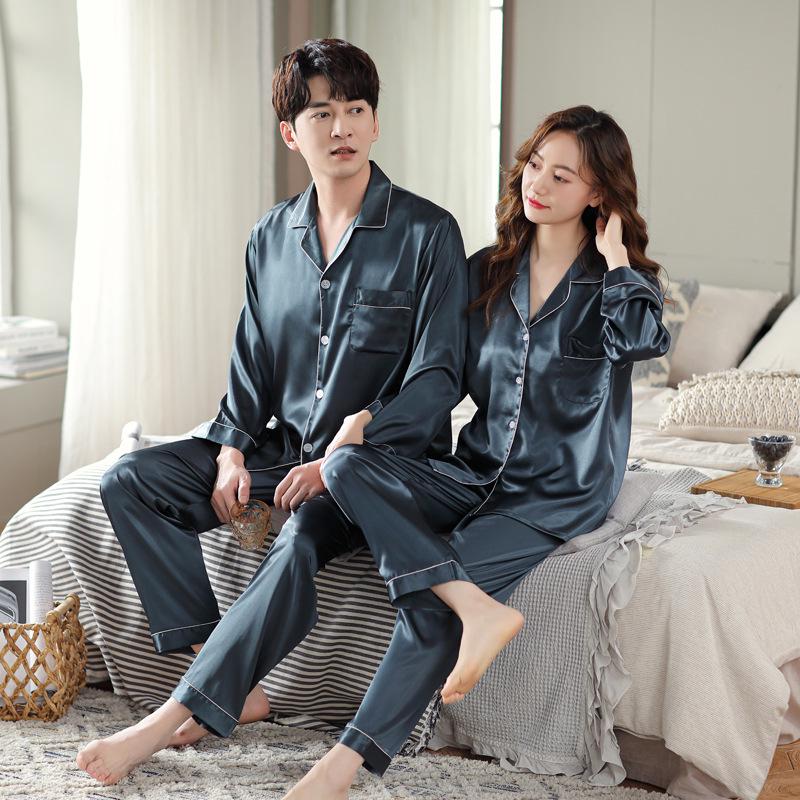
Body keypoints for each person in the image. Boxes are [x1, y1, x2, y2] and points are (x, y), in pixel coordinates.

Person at [76, 38, 474, 786]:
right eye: (321, 113)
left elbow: (438, 379)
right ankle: (222, 675)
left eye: (355, 109)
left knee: (296, 541)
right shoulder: (269, 237)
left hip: (374, 468)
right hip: (278, 453)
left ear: (376, 123)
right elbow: (252, 362)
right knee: (130, 479)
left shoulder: (428, 234)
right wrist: (230, 449)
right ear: (292, 133)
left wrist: (350, 447)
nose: (341, 126)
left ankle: (178, 713)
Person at [277, 104, 673, 798]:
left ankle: (341, 767)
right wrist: (366, 420)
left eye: (562, 176)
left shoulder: (617, 284)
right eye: (534, 165)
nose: (537, 184)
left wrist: (616, 258)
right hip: (473, 472)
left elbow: (642, 342)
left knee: (428, 605)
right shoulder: (485, 270)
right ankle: (477, 606)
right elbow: (438, 377)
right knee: (347, 465)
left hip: (553, 494)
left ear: (598, 194)